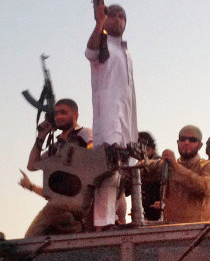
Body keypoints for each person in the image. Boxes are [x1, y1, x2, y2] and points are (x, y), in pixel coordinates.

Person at [86, 1, 137, 228]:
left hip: (127, 120)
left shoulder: (125, 51)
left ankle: (118, 219)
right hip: (108, 118)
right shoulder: (102, 44)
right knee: (109, 172)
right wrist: (99, 23)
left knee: (126, 173)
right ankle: (103, 223)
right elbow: (90, 50)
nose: (118, 19)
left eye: (122, 16)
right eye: (113, 15)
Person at [20, 98, 93, 237]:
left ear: (75, 115)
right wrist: (41, 136)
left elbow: (92, 152)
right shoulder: (56, 146)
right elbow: (32, 165)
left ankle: (80, 231)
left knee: (53, 208)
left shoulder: (83, 134)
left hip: (81, 199)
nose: (59, 116)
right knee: (30, 239)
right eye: (56, 114)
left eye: (63, 113)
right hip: (59, 204)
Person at [160, 125, 210, 223]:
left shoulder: (209, 166)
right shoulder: (169, 167)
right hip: (172, 232)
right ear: (178, 142)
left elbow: (205, 188)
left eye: (192, 140)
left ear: (200, 145)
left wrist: (176, 166)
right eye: (183, 139)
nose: (186, 142)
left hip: (202, 233)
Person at [137, 131, 164, 221]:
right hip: (144, 214)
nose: (141, 152)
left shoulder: (160, 164)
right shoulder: (138, 166)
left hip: (160, 214)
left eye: (144, 149)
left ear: (152, 149)